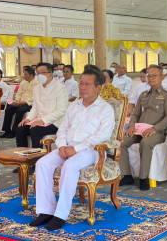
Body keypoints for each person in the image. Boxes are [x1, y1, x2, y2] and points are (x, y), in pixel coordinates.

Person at [29, 68, 114, 230]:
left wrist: (76, 149)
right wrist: (61, 146)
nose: (82, 87)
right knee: (42, 164)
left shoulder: (105, 109)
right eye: (81, 83)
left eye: (87, 84)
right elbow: (62, 129)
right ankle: (46, 211)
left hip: (90, 150)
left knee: (70, 166)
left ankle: (61, 214)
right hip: (67, 147)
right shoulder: (74, 106)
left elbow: (101, 136)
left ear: (98, 87)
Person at [119, 65, 167, 191]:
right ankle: (126, 175)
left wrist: (154, 129)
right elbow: (136, 114)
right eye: (149, 76)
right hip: (139, 130)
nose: (150, 78)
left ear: (162, 77)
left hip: (157, 132)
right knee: (121, 141)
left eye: (154, 76)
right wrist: (131, 126)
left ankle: (143, 178)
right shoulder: (143, 95)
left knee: (145, 143)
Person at [16, 63, 68, 149]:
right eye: (38, 73)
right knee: (20, 129)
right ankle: (24, 157)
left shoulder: (60, 88)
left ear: (51, 74)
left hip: (55, 122)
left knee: (35, 130)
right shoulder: (37, 88)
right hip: (39, 120)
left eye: (43, 72)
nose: (40, 75)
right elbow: (35, 108)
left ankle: (36, 158)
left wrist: (43, 121)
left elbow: (61, 111)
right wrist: (28, 119)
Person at [0, 66, 37, 138]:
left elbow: (35, 97)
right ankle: (6, 131)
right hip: (20, 102)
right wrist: (17, 100)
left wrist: (24, 102)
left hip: (29, 103)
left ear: (31, 75)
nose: (24, 76)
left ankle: (14, 132)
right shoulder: (23, 82)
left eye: (25, 74)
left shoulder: (37, 84)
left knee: (20, 111)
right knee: (9, 109)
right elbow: (19, 93)